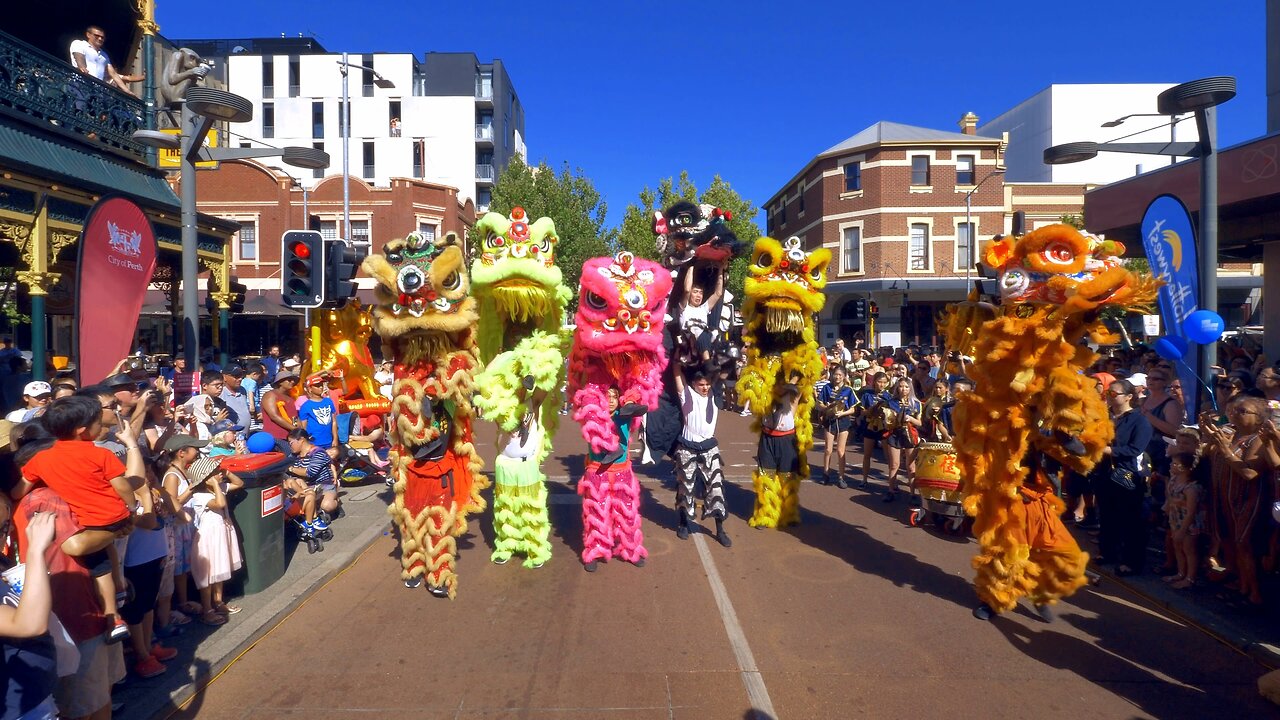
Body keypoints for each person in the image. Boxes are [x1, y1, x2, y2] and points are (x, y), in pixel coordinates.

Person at [14, 396, 148, 644]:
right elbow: (122, 485)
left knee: (100, 565)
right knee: (106, 560)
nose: (102, 426)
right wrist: (131, 508)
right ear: (83, 430)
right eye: (98, 422)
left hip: (88, 522)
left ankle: (114, 611)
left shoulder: (41, 459)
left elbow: (20, 489)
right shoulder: (101, 454)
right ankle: (115, 607)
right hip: (113, 517)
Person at [1203, 395, 1275, 608]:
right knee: (1232, 541)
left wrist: (1225, 450)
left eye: (1242, 411)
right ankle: (1240, 583)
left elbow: (1250, 473)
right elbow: (1209, 455)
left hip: (1249, 501)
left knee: (1245, 545)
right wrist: (1211, 437)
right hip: (1227, 499)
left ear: (1259, 418)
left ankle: (1253, 594)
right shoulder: (1232, 434)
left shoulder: (1258, 440)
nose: (1234, 414)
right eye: (1233, 410)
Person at [0, 500, 59, 720]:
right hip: (16, 710)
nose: (6, 535)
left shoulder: (2, 561)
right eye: (2, 529)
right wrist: (35, 550)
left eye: (7, 525)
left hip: (37, 695)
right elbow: (28, 624)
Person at [1095, 379, 1153, 577]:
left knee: (1130, 519)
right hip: (1105, 472)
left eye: (1114, 394)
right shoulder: (1106, 417)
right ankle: (1107, 552)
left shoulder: (1140, 420)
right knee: (1107, 515)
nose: (1109, 397)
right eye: (1108, 393)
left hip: (1127, 474)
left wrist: (1108, 450)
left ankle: (1131, 561)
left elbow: (1135, 449)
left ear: (1129, 397)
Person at [672, 368, 730, 547]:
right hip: (687, 447)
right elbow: (677, 373)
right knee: (685, 487)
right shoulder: (687, 394)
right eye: (701, 385)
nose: (705, 388)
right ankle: (683, 523)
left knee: (716, 489)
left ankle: (720, 530)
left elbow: (723, 370)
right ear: (693, 385)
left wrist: (718, 359)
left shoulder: (714, 394)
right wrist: (678, 358)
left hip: (709, 448)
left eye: (707, 384)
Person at [186, 456, 244, 625]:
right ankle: (207, 609)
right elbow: (219, 504)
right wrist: (216, 485)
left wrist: (226, 472)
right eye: (216, 472)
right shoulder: (201, 496)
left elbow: (239, 483)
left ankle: (218, 602)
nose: (220, 474)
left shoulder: (218, 488)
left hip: (221, 533)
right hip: (208, 537)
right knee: (208, 574)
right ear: (207, 479)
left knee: (220, 569)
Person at [156, 435, 207, 626]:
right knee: (178, 568)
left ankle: (184, 600)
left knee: (184, 567)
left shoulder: (183, 471)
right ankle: (181, 603)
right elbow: (172, 504)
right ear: (181, 452)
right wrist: (191, 489)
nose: (197, 451)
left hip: (186, 525)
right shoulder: (172, 475)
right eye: (194, 448)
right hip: (177, 528)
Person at [1162, 451, 1205, 590]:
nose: (1172, 465)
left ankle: (1190, 578)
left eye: (1175, 464)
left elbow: (1191, 512)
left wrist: (1182, 530)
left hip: (1188, 524)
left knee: (1189, 550)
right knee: (1178, 548)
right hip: (1175, 520)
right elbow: (1170, 496)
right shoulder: (1174, 480)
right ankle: (1180, 573)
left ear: (1187, 468)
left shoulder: (1191, 488)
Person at [69, 26, 145, 97]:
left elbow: (113, 74)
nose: (100, 39)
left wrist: (126, 90)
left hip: (97, 91)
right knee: (79, 108)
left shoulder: (104, 55)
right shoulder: (79, 44)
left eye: (102, 37)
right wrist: (82, 67)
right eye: (97, 36)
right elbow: (79, 56)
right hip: (80, 84)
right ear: (88, 34)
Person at [284, 429, 332, 538]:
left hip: (322, 485)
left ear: (301, 440)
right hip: (306, 486)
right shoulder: (293, 456)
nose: (290, 446)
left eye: (291, 443)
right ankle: (313, 519)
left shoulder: (318, 452)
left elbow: (310, 473)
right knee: (301, 486)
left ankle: (311, 520)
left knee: (327, 505)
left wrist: (290, 468)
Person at [883, 377, 923, 504]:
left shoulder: (916, 403)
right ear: (897, 387)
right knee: (894, 464)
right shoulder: (890, 402)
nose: (903, 389)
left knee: (911, 466)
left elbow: (920, 423)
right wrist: (892, 419)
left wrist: (910, 419)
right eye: (901, 386)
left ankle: (912, 494)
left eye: (906, 386)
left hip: (910, 435)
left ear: (910, 388)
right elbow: (886, 423)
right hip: (895, 434)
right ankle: (891, 490)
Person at [817, 366, 857, 488]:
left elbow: (853, 409)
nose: (837, 377)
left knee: (840, 451)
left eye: (840, 375)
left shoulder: (848, 390)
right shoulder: (826, 388)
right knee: (828, 450)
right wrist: (827, 408)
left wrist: (843, 413)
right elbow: (819, 404)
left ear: (844, 376)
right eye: (835, 374)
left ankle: (841, 477)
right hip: (830, 421)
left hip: (843, 421)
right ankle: (826, 473)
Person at [856, 372, 893, 490]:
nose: (881, 384)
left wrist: (884, 412)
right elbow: (862, 412)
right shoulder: (867, 395)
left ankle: (892, 483)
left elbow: (892, 414)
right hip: (870, 426)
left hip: (884, 427)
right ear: (874, 382)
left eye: (884, 382)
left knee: (888, 456)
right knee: (867, 454)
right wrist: (872, 410)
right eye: (879, 382)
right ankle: (864, 479)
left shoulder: (889, 396)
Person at [261, 370, 301, 441]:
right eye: (289, 380)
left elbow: (294, 417)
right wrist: (294, 429)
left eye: (294, 380)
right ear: (280, 382)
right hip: (274, 437)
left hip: (290, 437)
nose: (292, 382)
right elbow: (274, 416)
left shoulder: (290, 398)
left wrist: (300, 430)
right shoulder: (270, 395)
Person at [219, 365, 251, 433]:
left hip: (244, 436)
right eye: (236, 376)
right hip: (230, 437)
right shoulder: (220, 393)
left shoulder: (242, 390)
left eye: (241, 376)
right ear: (224, 377)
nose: (240, 379)